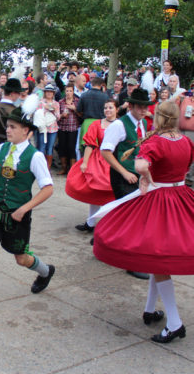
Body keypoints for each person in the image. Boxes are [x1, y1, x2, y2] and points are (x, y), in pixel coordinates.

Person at [93, 101, 194, 343]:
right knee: (154, 257)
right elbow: (187, 165)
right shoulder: (185, 141)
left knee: (157, 258)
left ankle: (174, 323)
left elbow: (140, 165)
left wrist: (146, 179)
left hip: (160, 200)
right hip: (181, 196)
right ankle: (150, 311)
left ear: (158, 117)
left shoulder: (155, 141)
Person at [0, 107, 55, 326]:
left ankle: (45, 271)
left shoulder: (35, 156)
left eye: (13, 127)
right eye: (8, 126)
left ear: (27, 131)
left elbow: (48, 188)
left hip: (17, 214)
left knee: (21, 258)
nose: (8, 130)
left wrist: (25, 208)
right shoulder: (3, 148)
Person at [100, 88, 152, 280]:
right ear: (130, 106)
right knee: (133, 218)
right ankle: (131, 263)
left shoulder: (144, 123)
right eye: (139, 106)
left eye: (145, 106)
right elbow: (105, 151)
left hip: (137, 175)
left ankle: (103, 238)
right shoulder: (119, 126)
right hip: (122, 176)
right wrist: (123, 172)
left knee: (125, 215)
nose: (143, 110)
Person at [66, 100, 118, 235]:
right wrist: (85, 162)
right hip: (99, 160)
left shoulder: (121, 125)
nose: (107, 110)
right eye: (105, 107)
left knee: (111, 194)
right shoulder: (97, 124)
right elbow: (90, 144)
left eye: (110, 107)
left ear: (116, 109)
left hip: (114, 160)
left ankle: (109, 224)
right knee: (94, 191)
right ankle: (90, 223)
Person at [35, 84, 60, 169]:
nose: (49, 93)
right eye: (47, 91)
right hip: (42, 128)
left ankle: (47, 168)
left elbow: (58, 117)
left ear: (53, 93)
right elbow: (37, 115)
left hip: (53, 128)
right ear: (45, 93)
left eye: (51, 92)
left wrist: (54, 110)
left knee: (50, 148)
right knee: (41, 147)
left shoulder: (56, 104)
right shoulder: (40, 102)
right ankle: (40, 167)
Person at [57, 85, 79, 174]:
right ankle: (63, 168)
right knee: (62, 147)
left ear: (73, 92)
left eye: (70, 91)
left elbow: (81, 114)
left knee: (71, 148)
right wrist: (62, 115)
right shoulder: (60, 102)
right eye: (67, 91)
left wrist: (75, 109)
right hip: (62, 127)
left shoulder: (77, 101)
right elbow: (56, 116)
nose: (68, 93)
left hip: (73, 128)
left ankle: (72, 170)